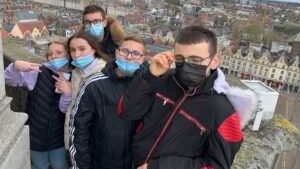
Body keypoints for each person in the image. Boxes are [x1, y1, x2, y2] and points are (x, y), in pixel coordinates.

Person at [119, 25, 257, 169]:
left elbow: (217, 166)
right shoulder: (163, 79)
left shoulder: (223, 111)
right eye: (180, 59)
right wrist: (149, 77)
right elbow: (127, 111)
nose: (186, 65)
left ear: (215, 61)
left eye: (195, 60)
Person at [68, 34, 146, 169]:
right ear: (117, 52)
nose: (129, 56)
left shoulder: (148, 86)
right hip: (101, 162)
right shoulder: (94, 85)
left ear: (142, 59)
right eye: (125, 51)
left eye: (136, 53)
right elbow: (79, 129)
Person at [5, 39, 71, 169]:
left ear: (68, 55)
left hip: (59, 137)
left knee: (61, 165)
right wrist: (15, 66)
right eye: (50, 54)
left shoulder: (73, 75)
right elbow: (9, 80)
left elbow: (64, 109)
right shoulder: (38, 71)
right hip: (36, 135)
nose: (54, 56)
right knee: (40, 166)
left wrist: (67, 93)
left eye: (59, 52)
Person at [56, 31, 110, 150]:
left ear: (94, 49)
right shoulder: (76, 72)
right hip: (77, 135)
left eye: (82, 49)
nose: (76, 54)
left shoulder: (104, 73)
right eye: (72, 50)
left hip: (94, 140)